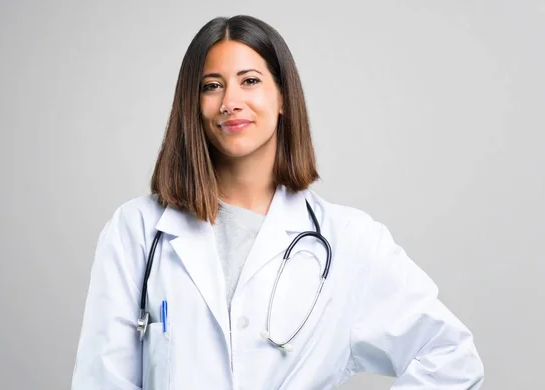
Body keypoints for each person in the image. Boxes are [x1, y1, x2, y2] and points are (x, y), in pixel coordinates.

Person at [70, 15, 484, 390]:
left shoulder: (350, 241)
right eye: (212, 86)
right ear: (192, 106)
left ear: (283, 97)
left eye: (250, 81)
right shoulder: (137, 231)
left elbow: (451, 357)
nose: (230, 101)